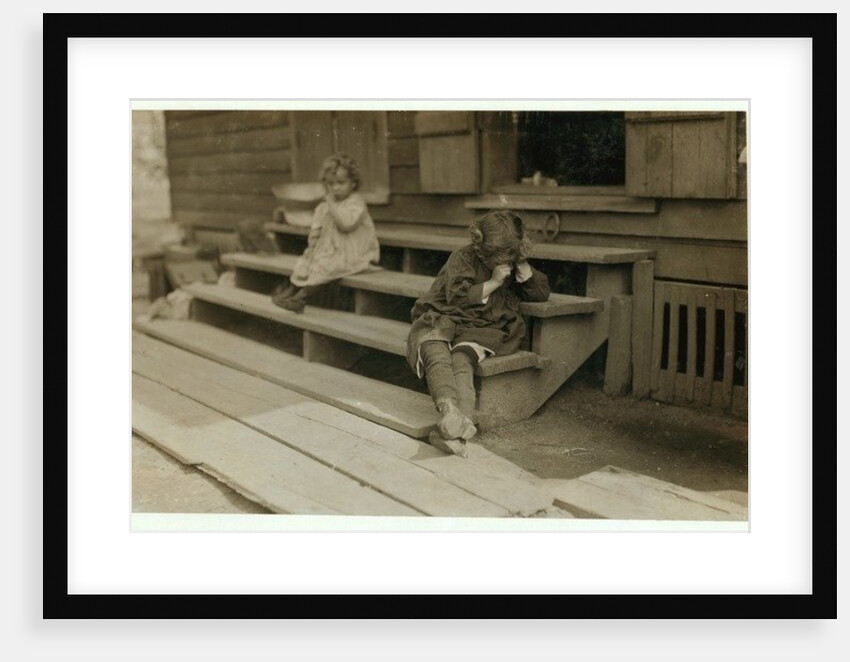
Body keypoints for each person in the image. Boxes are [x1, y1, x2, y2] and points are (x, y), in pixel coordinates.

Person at [406, 210, 550, 457]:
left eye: (512, 253)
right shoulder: (462, 258)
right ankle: (449, 410)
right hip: (447, 313)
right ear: (482, 247)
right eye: (501, 255)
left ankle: (459, 425)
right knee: (433, 346)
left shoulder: (512, 261)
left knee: (462, 361)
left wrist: (523, 265)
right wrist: (494, 282)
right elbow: (458, 297)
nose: (507, 259)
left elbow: (540, 293)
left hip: (484, 326)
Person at [271, 153, 380, 313]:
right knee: (306, 262)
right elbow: (317, 227)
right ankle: (292, 292)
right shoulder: (324, 206)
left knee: (326, 266)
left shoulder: (356, 203)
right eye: (330, 184)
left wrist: (330, 205)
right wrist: (312, 245)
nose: (335, 188)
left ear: (353, 183)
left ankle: (301, 298)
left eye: (341, 183)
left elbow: (346, 225)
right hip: (331, 247)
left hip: (353, 250)